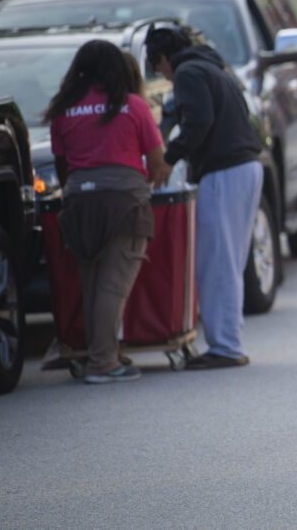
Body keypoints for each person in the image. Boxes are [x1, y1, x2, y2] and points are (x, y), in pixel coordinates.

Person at [44, 40, 170, 384]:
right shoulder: (131, 105)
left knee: (93, 285)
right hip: (125, 204)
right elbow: (157, 160)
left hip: (78, 205)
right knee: (113, 287)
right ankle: (103, 362)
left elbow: (62, 164)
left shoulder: (63, 109)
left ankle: (101, 354)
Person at [146, 25, 263, 370]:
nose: (163, 76)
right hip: (246, 166)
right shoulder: (212, 66)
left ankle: (225, 347)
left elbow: (198, 122)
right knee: (231, 260)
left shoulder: (188, 72)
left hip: (223, 170)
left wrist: (169, 157)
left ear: (164, 57)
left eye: (158, 67)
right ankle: (229, 341)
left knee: (217, 261)